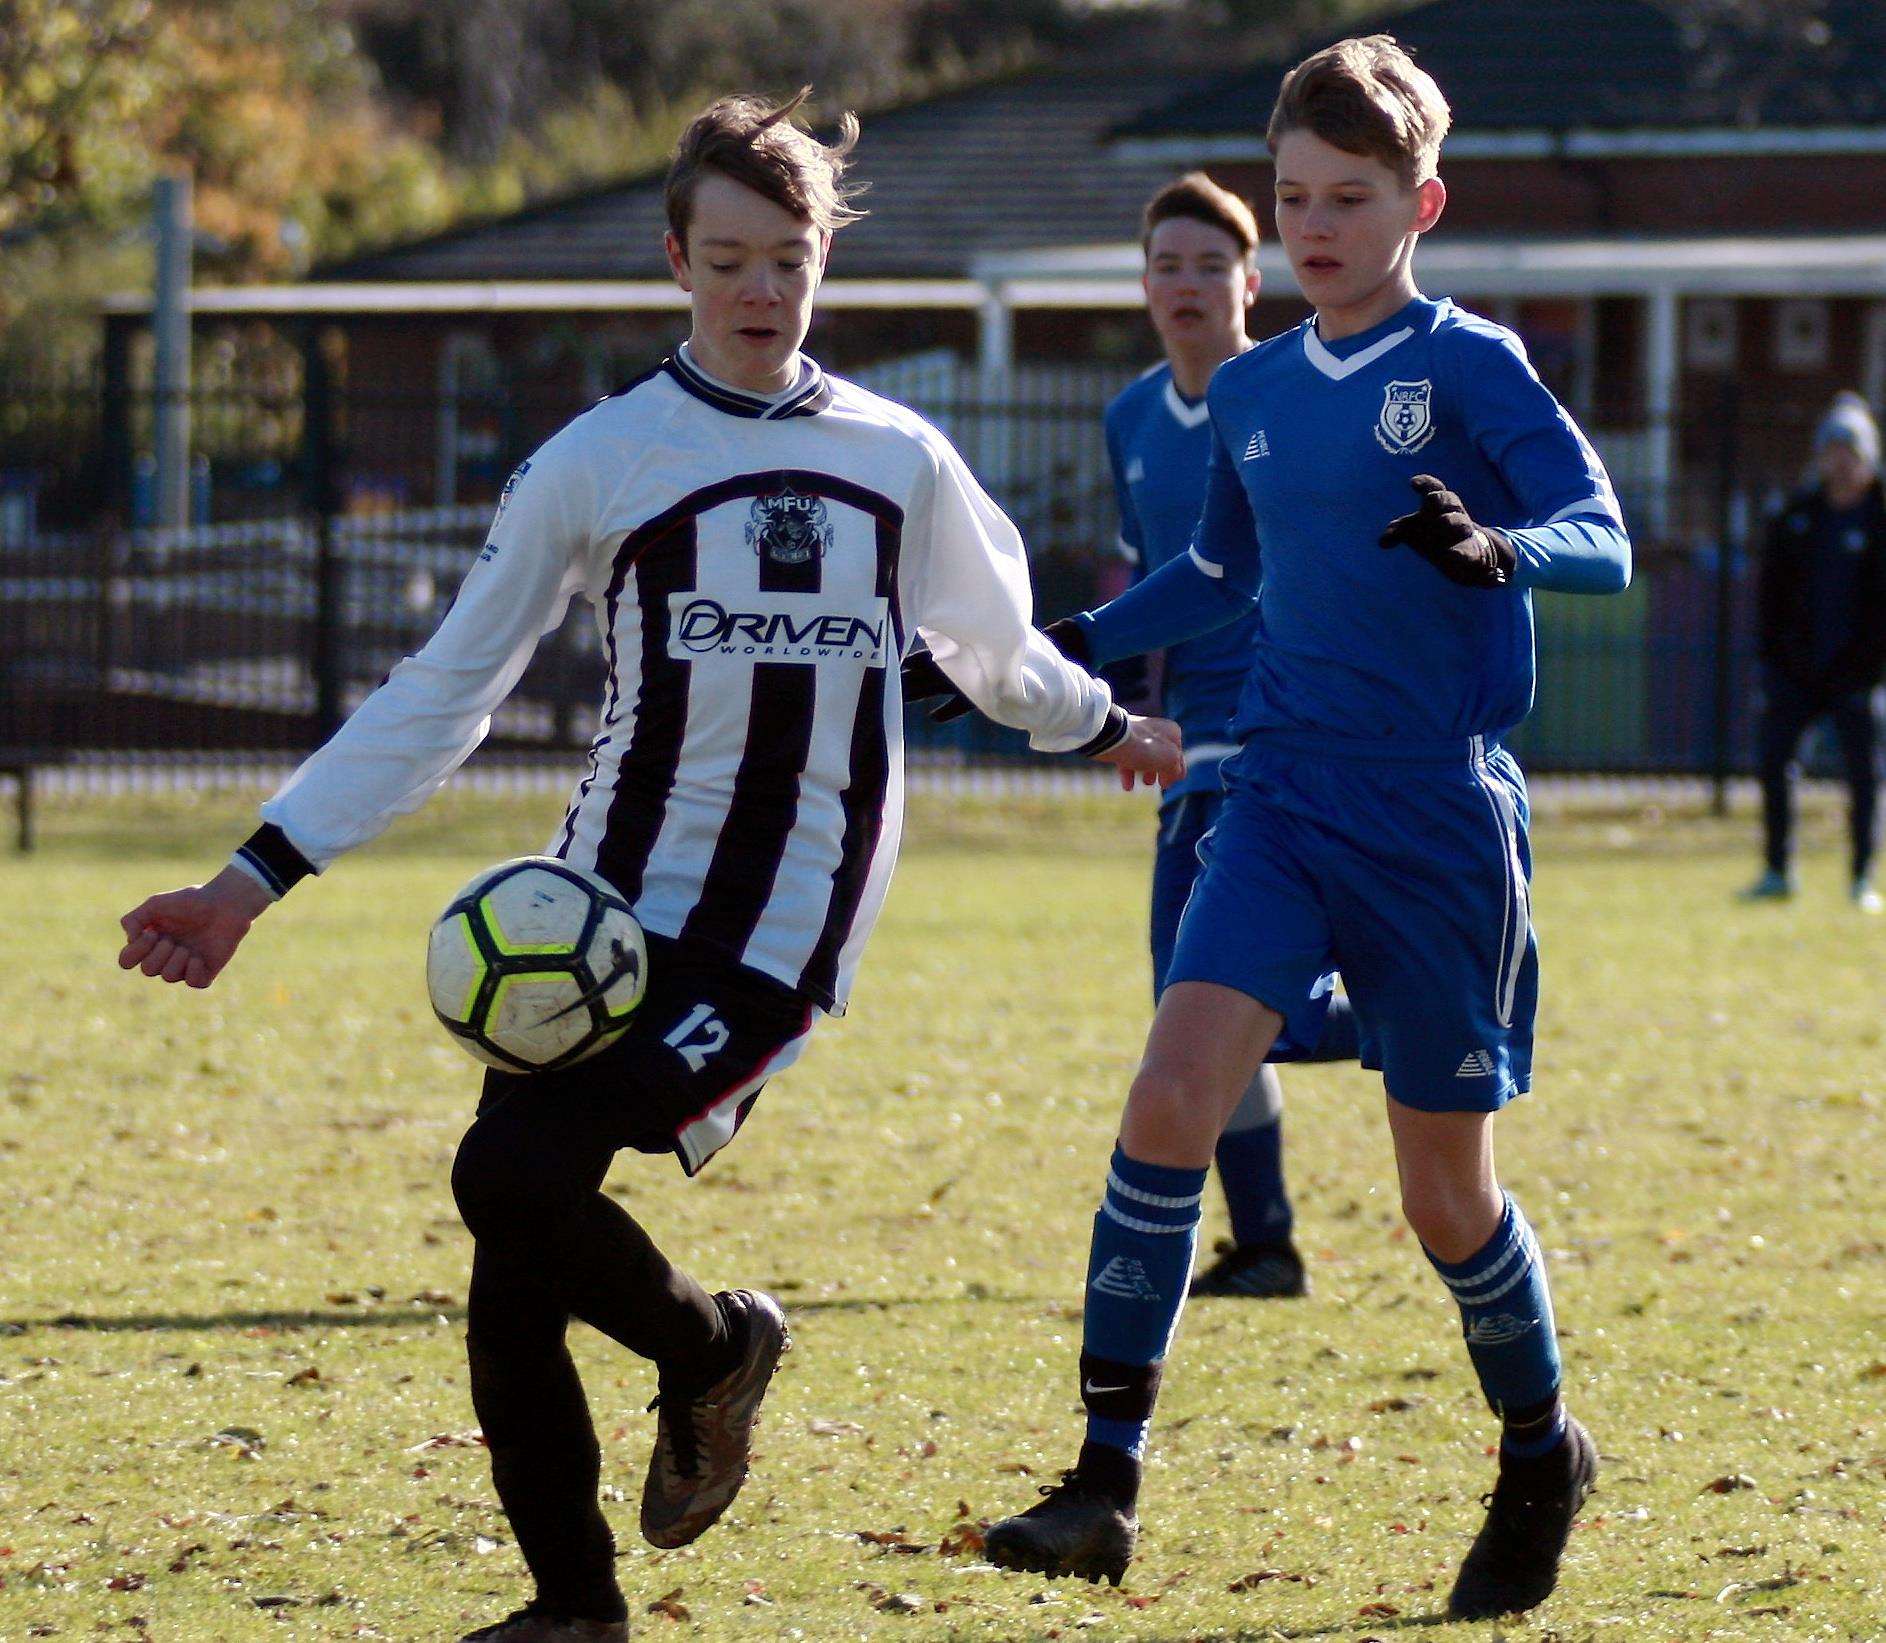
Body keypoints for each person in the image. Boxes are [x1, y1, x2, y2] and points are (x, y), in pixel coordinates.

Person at [115, 89, 1182, 1643]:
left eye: (790, 260)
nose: (761, 292)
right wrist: (246, 881)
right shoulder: (599, 458)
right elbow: (441, 691)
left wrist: (1104, 729)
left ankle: (703, 1353)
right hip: (597, 916)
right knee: (514, 1246)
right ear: (676, 259)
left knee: (507, 1174)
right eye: (730, 259)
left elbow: (996, 651)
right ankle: (577, 1603)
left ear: (824, 262)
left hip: (773, 932)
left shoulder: (900, 458)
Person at [977, 36, 1629, 1622]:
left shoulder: (1470, 366)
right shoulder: (1255, 388)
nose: (1317, 223)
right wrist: (1049, 641)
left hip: (1435, 817)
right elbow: (1214, 575)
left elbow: (1602, 537)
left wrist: (1501, 546)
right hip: (1276, 791)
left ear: (1422, 202)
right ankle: (1101, 1479)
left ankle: (1539, 1448)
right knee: (1166, 1096)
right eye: (1295, 196)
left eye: (1350, 196)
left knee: (1440, 1198)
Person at [908, 173, 1362, 1299]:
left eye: (1211, 264)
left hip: (1284, 730)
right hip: (1191, 733)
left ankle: (1395, 1015)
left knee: (1201, 995)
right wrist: (1120, 719)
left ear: (1250, 283)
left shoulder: (1292, 394)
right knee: (1186, 996)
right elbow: (1164, 584)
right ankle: (1266, 1239)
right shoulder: (1130, 419)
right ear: (1143, 284)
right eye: (1167, 264)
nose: (1188, 284)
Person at [1744, 390, 1886, 913]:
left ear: (1868, 455)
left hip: (1857, 675)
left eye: (1850, 449)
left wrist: (1867, 665)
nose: (1840, 460)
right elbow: (1771, 597)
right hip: (1796, 672)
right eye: (1832, 448)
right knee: (1776, 762)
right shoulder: (1797, 516)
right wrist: (1777, 661)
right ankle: (1778, 869)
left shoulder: (1878, 518)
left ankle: (1861, 877)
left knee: (1864, 774)